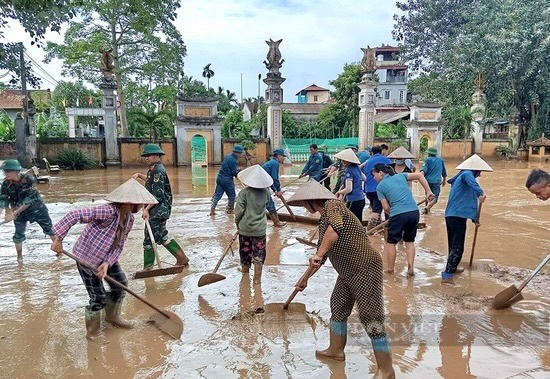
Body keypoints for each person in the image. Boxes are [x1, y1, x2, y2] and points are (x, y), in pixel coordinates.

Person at [287, 180, 395, 377]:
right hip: (347, 271)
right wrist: (305, 278)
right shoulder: (323, 221)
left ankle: (386, 370)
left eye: (304, 203)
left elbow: (333, 231)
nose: (303, 207)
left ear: (312, 201)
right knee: (337, 306)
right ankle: (335, 351)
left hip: (364, 267)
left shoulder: (333, 205)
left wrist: (319, 253)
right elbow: (322, 255)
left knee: (371, 316)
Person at [50, 178, 158, 342]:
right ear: (127, 202)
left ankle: (112, 317)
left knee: (120, 283)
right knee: (98, 296)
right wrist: (58, 238)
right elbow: (75, 215)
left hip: (106, 258)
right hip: (86, 258)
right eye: (137, 202)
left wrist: (107, 263)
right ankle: (92, 332)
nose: (139, 206)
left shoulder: (129, 219)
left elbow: (118, 246)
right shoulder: (107, 211)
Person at [132, 144, 188, 271]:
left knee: (148, 239)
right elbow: (152, 182)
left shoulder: (157, 171)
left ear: (157, 156)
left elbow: (157, 196)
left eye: (149, 155)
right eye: (145, 156)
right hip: (161, 210)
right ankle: (182, 258)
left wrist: (146, 210)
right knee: (162, 236)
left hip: (157, 211)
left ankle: (148, 268)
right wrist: (140, 175)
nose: (146, 158)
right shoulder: (154, 169)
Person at [373, 163, 434, 276]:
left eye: (374, 175)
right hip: (414, 212)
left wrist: (393, 215)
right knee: (409, 241)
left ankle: (391, 269)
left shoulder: (380, 187)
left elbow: (386, 208)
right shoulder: (401, 176)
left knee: (391, 243)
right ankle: (411, 268)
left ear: (381, 173)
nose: (374, 178)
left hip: (398, 214)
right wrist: (429, 191)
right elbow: (420, 176)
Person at [442, 155, 492, 284]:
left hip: (453, 215)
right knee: (458, 247)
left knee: (453, 245)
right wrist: (480, 193)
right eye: (479, 172)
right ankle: (447, 276)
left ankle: (452, 268)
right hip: (456, 216)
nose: (479, 175)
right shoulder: (467, 174)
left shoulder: (461, 177)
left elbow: (467, 200)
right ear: (475, 169)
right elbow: (472, 184)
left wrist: (474, 218)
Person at [0, 159, 56, 261]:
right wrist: (6, 213)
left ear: (16, 171)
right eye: (4, 171)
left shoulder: (29, 180)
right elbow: (3, 200)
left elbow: (27, 201)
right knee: (18, 235)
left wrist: (14, 213)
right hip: (18, 212)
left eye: (8, 171)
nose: (5, 173)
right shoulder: (5, 184)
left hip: (37, 210)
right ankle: (19, 258)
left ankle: (59, 251)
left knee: (49, 230)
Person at [235, 165, 273, 285]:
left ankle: (245, 273)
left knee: (245, 252)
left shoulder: (244, 193)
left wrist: (238, 224)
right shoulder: (266, 193)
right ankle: (257, 279)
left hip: (245, 229)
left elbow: (239, 212)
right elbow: (269, 207)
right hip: (260, 230)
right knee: (259, 253)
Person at [362, 146, 391, 229]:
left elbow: (364, 175)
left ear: (372, 152)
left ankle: (379, 228)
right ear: (381, 151)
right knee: (385, 209)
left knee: (375, 209)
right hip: (382, 189)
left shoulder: (367, 162)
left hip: (369, 190)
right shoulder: (387, 160)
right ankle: (371, 230)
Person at [210, 145, 244, 215]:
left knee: (218, 195)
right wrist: (239, 173)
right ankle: (230, 210)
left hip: (219, 177)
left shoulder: (227, 156)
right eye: (240, 153)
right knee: (232, 195)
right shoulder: (233, 160)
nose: (241, 155)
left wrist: (237, 170)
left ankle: (212, 210)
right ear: (236, 153)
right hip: (227, 180)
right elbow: (234, 172)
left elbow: (227, 168)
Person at [334, 148, 366, 222]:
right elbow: (364, 178)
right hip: (361, 199)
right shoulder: (357, 167)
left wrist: (339, 192)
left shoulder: (349, 170)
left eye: (342, 160)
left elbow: (349, 189)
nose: (342, 162)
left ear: (346, 161)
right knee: (358, 222)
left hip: (353, 200)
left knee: (350, 223)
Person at [262, 148, 287, 227]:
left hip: (260, 185)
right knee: (270, 204)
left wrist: (275, 190)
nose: (283, 158)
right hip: (262, 186)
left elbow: (270, 180)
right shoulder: (275, 163)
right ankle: (277, 223)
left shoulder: (271, 162)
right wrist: (278, 190)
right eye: (283, 156)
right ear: (279, 156)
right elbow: (274, 178)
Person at [420, 147, 447, 214]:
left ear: (429, 154)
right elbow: (444, 171)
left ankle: (426, 208)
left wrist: (420, 176)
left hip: (427, 181)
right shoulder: (440, 160)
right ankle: (428, 207)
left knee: (428, 195)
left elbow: (424, 169)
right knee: (435, 197)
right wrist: (444, 180)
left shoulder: (427, 160)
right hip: (436, 181)